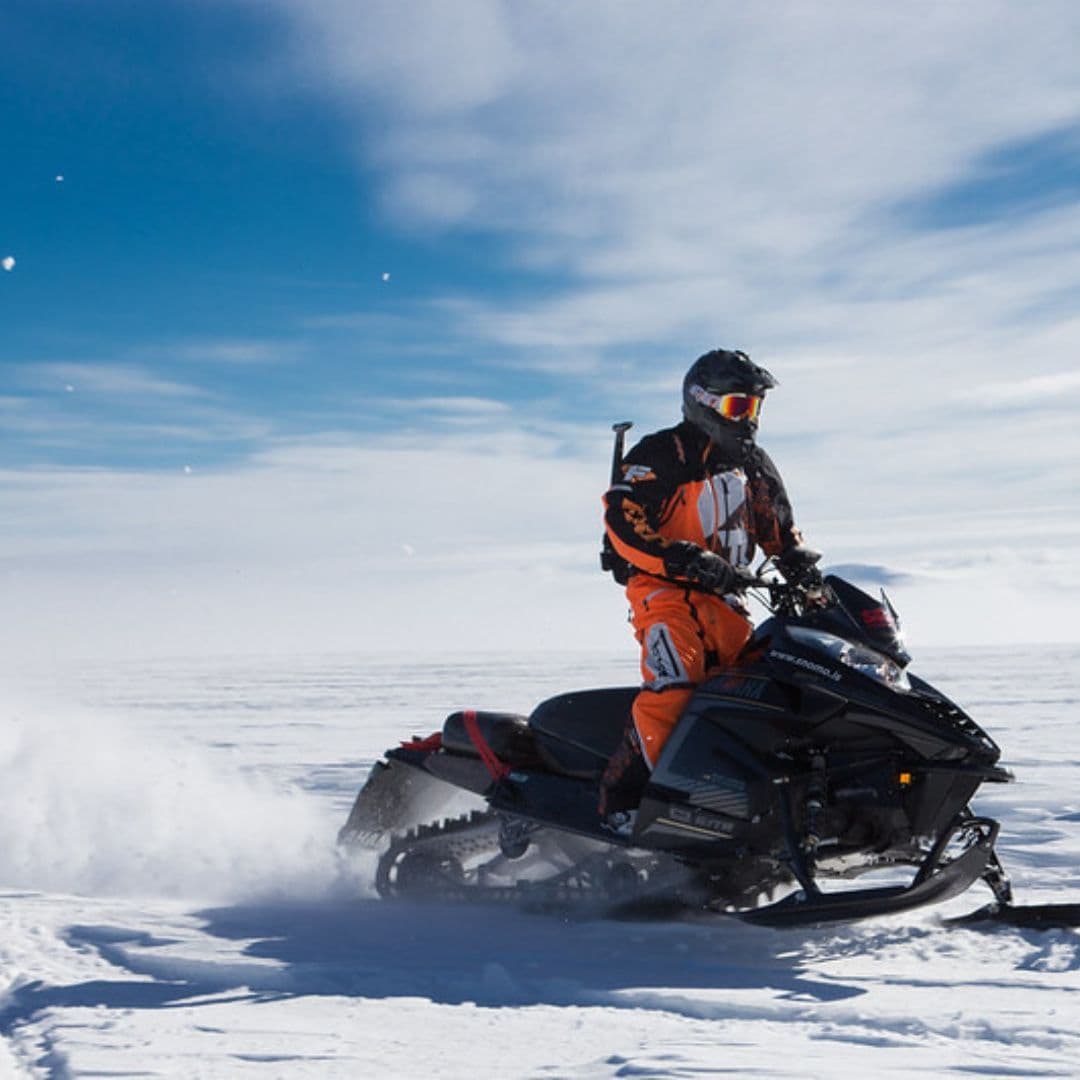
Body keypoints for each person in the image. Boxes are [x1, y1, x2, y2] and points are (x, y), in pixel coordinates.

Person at [599, 348, 820, 824]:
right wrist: (681, 557)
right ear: (703, 401)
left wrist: (798, 563)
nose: (750, 420)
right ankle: (627, 805)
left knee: (759, 693)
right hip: (665, 594)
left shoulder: (754, 465)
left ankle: (754, 810)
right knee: (677, 687)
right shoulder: (664, 454)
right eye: (739, 406)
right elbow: (624, 521)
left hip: (728, 599)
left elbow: (776, 526)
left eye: (755, 408)